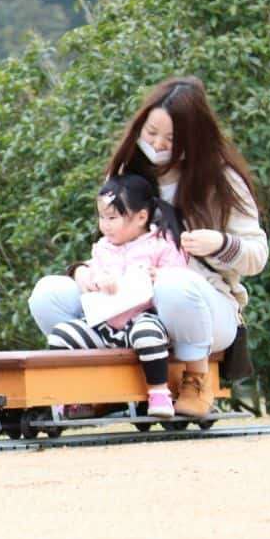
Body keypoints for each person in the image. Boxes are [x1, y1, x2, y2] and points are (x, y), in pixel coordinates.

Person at [29, 76, 267, 417]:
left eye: (170, 139)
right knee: (48, 293)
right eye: (151, 133)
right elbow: (114, 243)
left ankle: (196, 382)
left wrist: (219, 244)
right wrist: (84, 273)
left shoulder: (221, 179)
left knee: (173, 284)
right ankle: (101, 387)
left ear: (193, 140)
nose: (157, 143)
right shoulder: (127, 172)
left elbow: (258, 255)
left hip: (199, 308)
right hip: (127, 307)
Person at [45, 174, 187, 417]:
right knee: (61, 335)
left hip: (142, 317)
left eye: (112, 218)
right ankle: (66, 393)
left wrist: (159, 275)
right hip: (105, 322)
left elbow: (180, 277)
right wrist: (95, 278)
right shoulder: (102, 248)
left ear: (141, 217)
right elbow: (93, 272)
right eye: (102, 217)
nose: (105, 225)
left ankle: (159, 392)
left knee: (148, 335)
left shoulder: (160, 245)